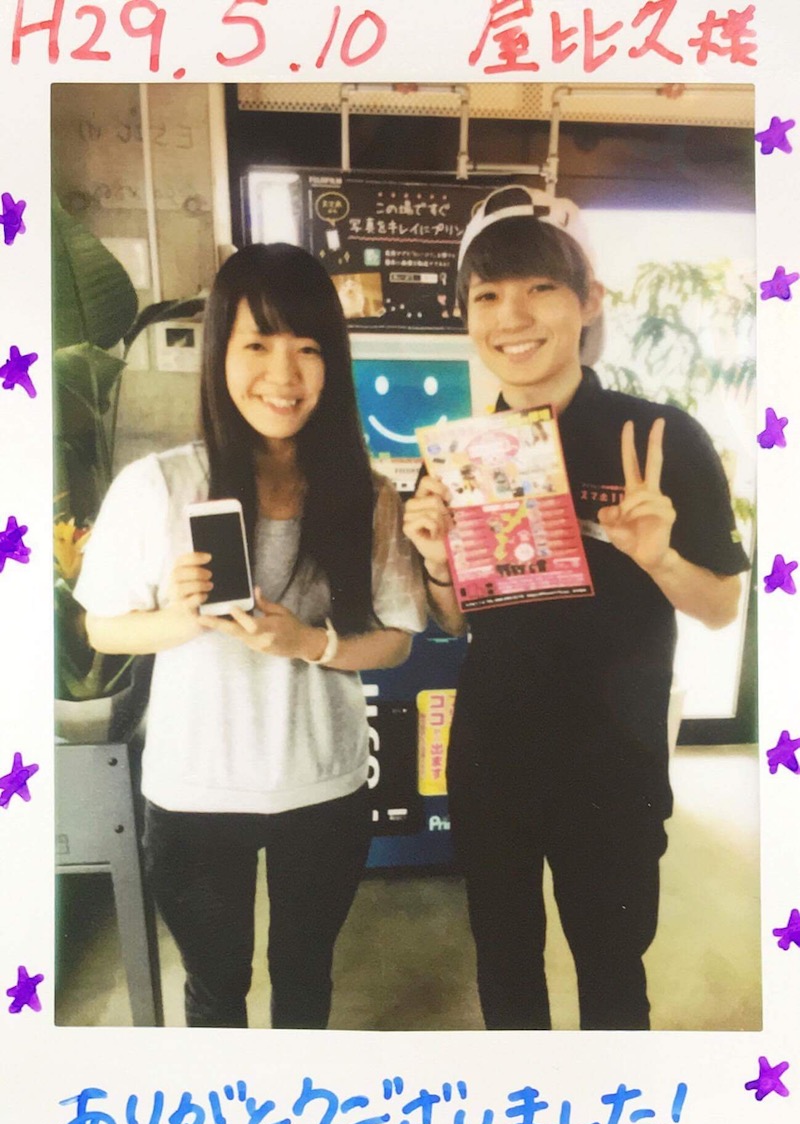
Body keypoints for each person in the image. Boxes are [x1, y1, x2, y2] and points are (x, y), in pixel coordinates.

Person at [403, 186, 749, 1031]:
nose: (512, 316)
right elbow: (453, 622)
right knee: (505, 968)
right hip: (493, 758)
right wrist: (438, 563)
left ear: (589, 300)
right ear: (467, 316)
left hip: (612, 764)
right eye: (487, 295)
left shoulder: (659, 438)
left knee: (612, 970)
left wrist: (660, 559)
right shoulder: (459, 456)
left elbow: (721, 607)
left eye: (540, 288)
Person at [74, 242, 427, 1029]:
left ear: (332, 362)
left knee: (304, 978)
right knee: (215, 986)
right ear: (220, 354)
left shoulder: (368, 496)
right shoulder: (159, 486)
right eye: (258, 345)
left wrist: (308, 643)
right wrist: (182, 617)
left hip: (325, 784)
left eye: (308, 348)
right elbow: (101, 625)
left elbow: (396, 639)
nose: (283, 374)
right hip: (194, 790)